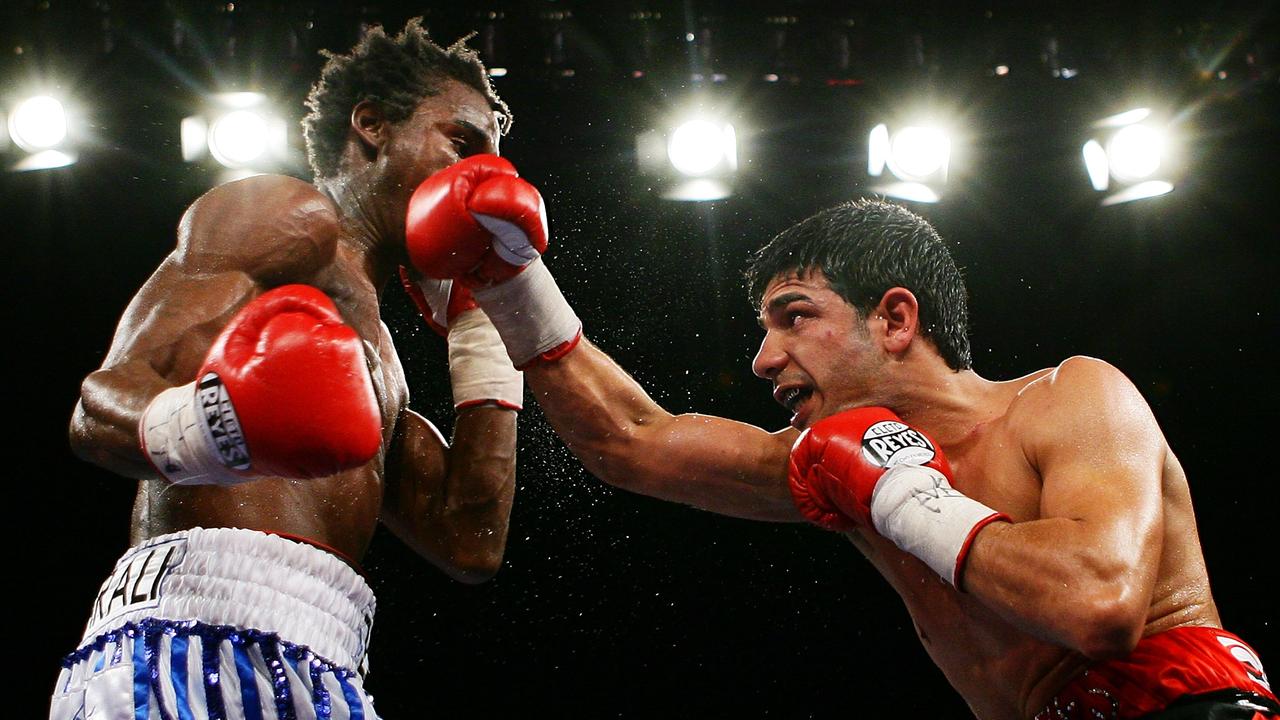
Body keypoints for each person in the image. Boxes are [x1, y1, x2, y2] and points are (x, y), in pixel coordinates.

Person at [405, 183, 1278, 719]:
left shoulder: (1070, 397)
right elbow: (635, 442)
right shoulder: (831, 462)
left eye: (795, 317)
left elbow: (1099, 602)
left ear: (896, 319)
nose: (763, 359)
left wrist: (905, 496)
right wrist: (512, 283)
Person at [52, 19, 525, 720]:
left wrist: (485, 322)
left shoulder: (381, 360)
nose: (482, 176)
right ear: (371, 123)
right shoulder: (288, 214)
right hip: (192, 636)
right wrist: (210, 426)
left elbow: (470, 540)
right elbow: (99, 409)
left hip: (324, 654)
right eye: (462, 143)